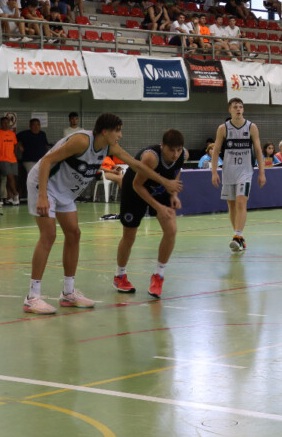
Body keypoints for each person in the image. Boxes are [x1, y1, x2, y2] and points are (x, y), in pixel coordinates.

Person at [23, 113, 182, 314]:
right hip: (44, 185)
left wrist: (164, 182)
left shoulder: (110, 147)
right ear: (105, 131)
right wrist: (43, 195)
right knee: (49, 235)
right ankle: (32, 297)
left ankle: (68, 293)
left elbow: (136, 165)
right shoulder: (82, 141)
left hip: (65, 192)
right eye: (118, 130)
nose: (121, 135)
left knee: (74, 234)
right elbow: (46, 161)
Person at [115, 129, 187, 298]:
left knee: (171, 230)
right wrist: (159, 207)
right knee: (129, 235)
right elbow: (137, 185)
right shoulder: (151, 158)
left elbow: (177, 172)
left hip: (159, 188)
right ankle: (119, 276)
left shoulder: (183, 154)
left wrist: (174, 194)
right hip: (134, 189)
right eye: (171, 150)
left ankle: (158, 276)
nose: (175, 154)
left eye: (178, 150)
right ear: (162, 146)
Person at [209, 99, 266, 253]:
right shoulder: (223, 129)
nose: (238, 109)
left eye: (241, 107)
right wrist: (214, 172)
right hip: (228, 172)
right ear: (230, 110)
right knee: (232, 206)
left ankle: (237, 236)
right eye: (235, 107)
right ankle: (239, 239)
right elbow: (216, 151)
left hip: (245, 172)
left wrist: (262, 172)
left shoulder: (251, 127)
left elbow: (259, 151)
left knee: (241, 202)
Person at [0, 116, 21, 205]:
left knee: (12, 178)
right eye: (4, 123)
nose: (6, 124)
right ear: (0, 124)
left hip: (12, 159)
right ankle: (16, 194)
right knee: (10, 177)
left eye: (7, 122)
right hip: (1, 159)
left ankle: (9, 197)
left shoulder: (12, 134)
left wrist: (14, 153)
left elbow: (15, 144)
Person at [16, 118, 51, 194]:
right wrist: (19, 146)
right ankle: (34, 194)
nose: (36, 127)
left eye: (38, 125)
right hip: (29, 160)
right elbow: (14, 139)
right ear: (30, 126)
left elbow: (46, 145)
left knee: (45, 176)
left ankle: (44, 193)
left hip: (41, 160)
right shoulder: (24, 134)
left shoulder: (42, 134)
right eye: (34, 125)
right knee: (34, 176)